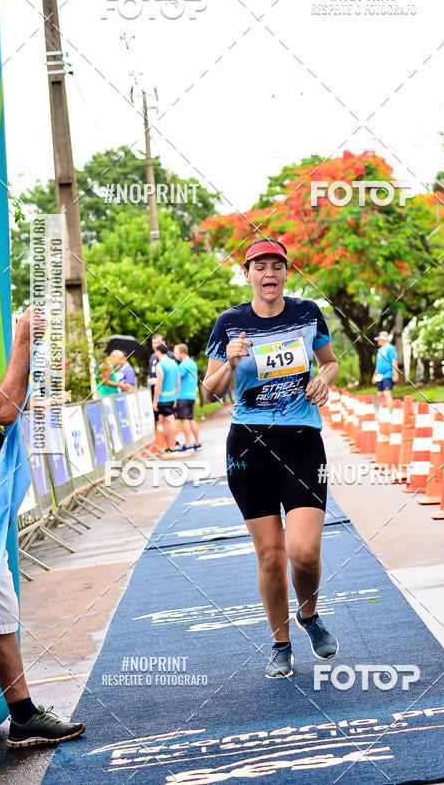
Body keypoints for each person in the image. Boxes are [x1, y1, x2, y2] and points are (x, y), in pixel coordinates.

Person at [203, 238, 340, 679]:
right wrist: (229, 362)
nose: (269, 274)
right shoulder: (230, 322)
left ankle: (309, 615)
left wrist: (323, 379)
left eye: (276, 266)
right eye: (259, 266)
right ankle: (281, 644)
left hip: (302, 441)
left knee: (304, 551)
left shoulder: (307, 313)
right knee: (271, 555)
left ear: (286, 272)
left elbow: (330, 362)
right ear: (247, 274)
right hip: (249, 447)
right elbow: (209, 391)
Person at [0, 283, 85, 748]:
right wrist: (21, 342)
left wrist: (34, 376)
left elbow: (6, 402)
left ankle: (23, 714)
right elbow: (1, 410)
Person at [153, 344, 180, 454]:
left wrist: (155, 400)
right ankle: (169, 446)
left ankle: (171, 446)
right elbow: (178, 382)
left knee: (168, 420)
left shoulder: (160, 364)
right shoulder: (174, 363)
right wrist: (176, 397)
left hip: (163, 398)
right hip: (172, 397)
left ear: (158, 352)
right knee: (167, 419)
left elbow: (159, 384)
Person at [173, 343, 202, 451]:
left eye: (176, 352)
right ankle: (197, 443)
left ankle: (188, 444)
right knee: (191, 419)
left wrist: (175, 395)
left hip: (183, 395)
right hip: (191, 395)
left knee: (185, 420)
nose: (174, 354)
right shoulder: (193, 363)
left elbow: (177, 380)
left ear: (182, 353)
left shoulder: (183, 365)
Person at [372, 331, 399, 409]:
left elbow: (394, 361)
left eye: (379, 339)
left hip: (388, 373)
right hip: (380, 375)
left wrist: (395, 374)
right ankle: (383, 410)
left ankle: (390, 410)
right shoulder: (379, 350)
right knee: (380, 394)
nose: (378, 341)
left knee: (386, 393)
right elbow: (378, 365)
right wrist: (374, 376)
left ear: (383, 339)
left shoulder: (390, 348)